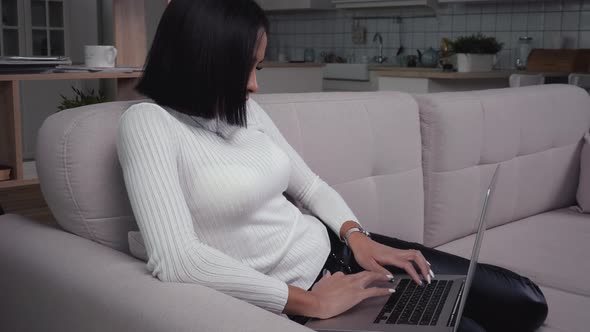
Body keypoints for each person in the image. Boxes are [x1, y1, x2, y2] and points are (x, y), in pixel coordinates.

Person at [116, 0, 548, 330]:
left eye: (257, 66)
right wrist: (311, 304)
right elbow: (177, 258)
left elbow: (311, 187)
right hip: (310, 292)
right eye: (244, 68)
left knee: (525, 304)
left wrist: (358, 237)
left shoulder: (242, 111)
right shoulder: (149, 124)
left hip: (344, 251)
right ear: (202, 61)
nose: (254, 84)